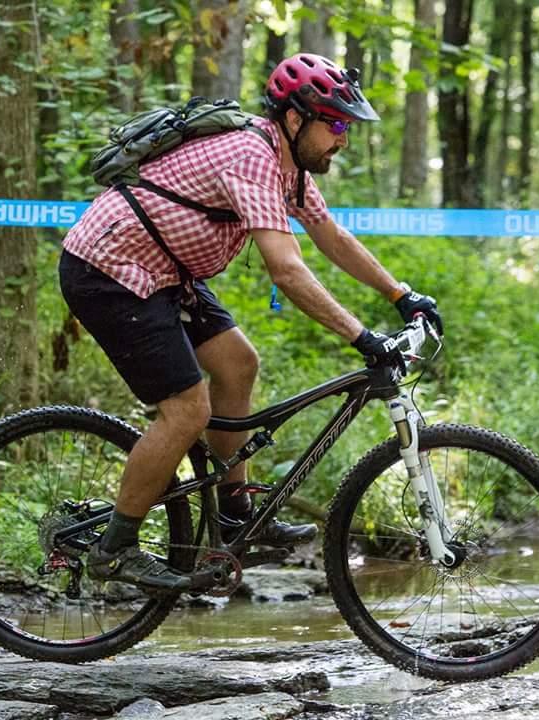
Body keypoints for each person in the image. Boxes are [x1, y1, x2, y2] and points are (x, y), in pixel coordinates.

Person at [58, 52, 443, 591]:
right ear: (294, 118)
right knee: (186, 411)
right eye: (335, 124)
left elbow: (331, 237)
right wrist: (361, 336)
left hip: (167, 272)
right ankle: (114, 547)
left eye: (347, 127)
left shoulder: (290, 167)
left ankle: (235, 513)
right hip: (110, 270)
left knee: (238, 363)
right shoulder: (252, 156)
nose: (343, 139)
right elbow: (286, 270)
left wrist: (402, 297)